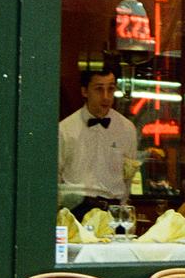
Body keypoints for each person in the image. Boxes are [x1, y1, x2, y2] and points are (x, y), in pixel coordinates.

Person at [58, 67, 137, 214]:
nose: (106, 97)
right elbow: (55, 175)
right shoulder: (65, 129)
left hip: (113, 210)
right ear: (85, 91)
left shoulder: (127, 129)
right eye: (99, 89)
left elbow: (128, 176)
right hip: (76, 208)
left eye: (111, 89)